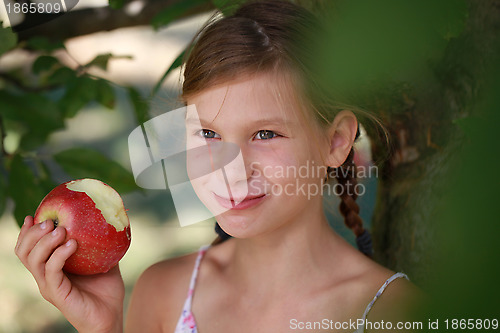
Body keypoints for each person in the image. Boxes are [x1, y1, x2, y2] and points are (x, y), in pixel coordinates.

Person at [15, 1, 421, 332]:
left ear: (335, 141)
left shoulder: (393, 315)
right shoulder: (164, 295)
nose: (232, 169)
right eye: (208, 134)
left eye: (265, 134)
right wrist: (101, 330)